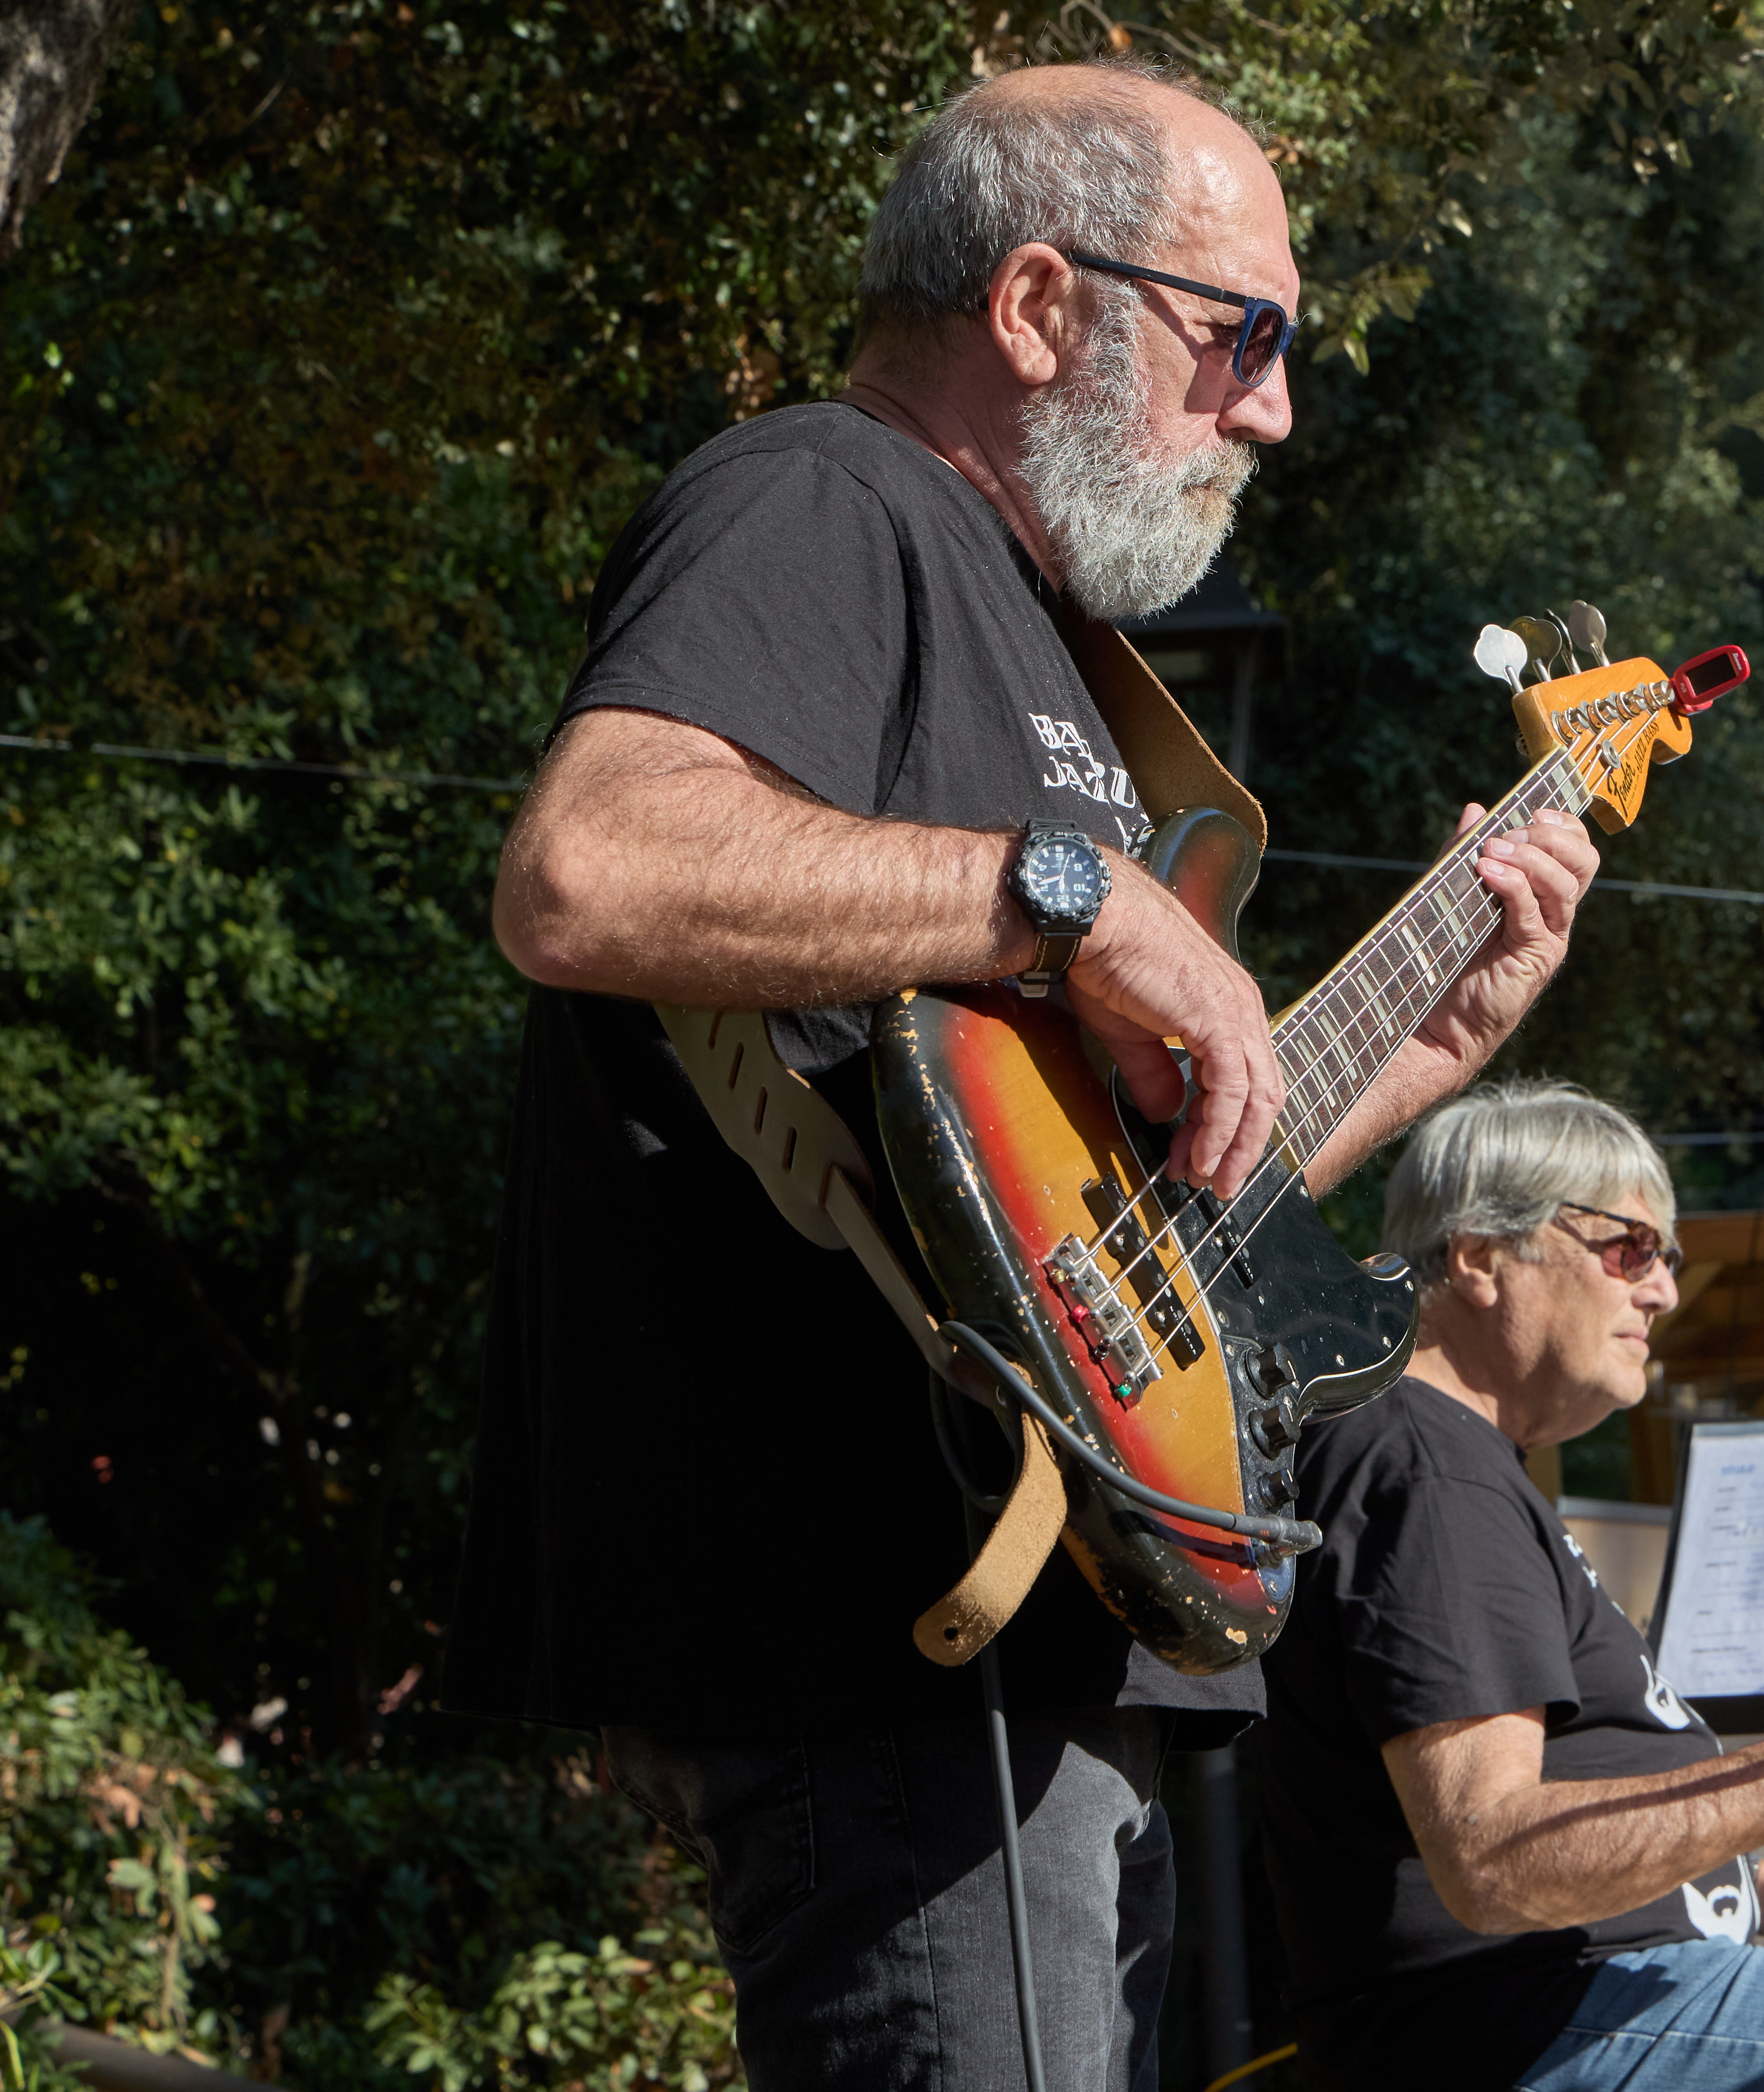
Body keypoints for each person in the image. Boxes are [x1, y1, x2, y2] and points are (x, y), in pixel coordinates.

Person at [441, 63, 1599, 2092]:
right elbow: (585, 863)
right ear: (1043, 303)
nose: (1273, 409)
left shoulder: (1041, 640)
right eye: (1241, 336)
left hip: (1036, 1617)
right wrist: (1065, 895)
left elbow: (1113, 1234)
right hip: (884, 1626)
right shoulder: (825, 493)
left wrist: (1418, 1049)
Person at [1257, 1081, 1764, 2091]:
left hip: (1569, 2003)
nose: (1664, 1292)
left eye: (1667, 1259)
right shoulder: (1432, 1467)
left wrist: (1763, 1889)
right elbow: (1493, 1857)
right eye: (1630, 1248)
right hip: (1532, 2029)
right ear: (1478, 1257)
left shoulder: (1445, 1460)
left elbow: (1509, 1838)